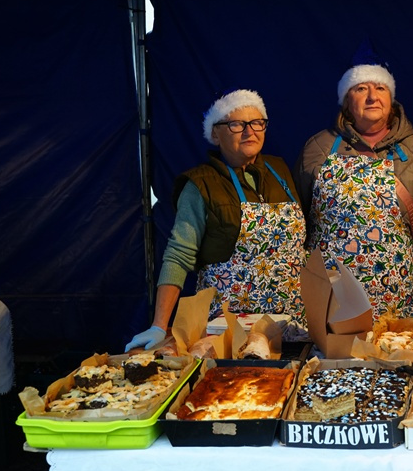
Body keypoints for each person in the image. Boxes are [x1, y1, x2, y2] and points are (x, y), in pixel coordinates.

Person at [125, 89, 306, 351]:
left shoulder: (280, 170)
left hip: (289, 325)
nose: (249, 131)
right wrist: (159, 325)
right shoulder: (200, 184)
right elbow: (178, 256)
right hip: (228, 333)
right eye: (236, 124)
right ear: (215, 134)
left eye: (257, 123)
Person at [293, 42, 413, 320]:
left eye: (380, 88)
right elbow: (299, 223)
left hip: (396, 299)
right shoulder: (317, 148)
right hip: (330, 299)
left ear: (391, 97)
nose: (372, 97)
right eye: (360, 89)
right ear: (347, 100)